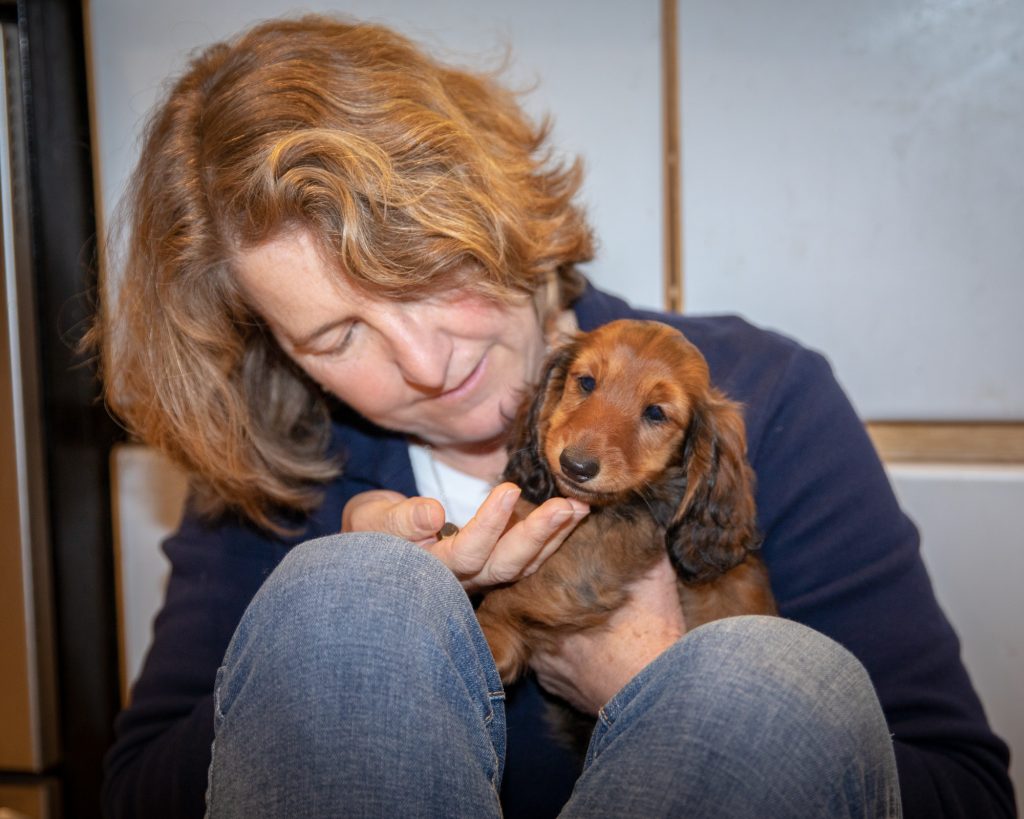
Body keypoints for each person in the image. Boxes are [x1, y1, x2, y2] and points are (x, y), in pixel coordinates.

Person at [94, 14, 1015, 819]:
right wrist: (358, 645)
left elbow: (968, 794)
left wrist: (654, 681)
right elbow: (132, 793)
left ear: (494, 206)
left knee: (757, 684)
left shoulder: (766, 396)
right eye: (338, 336)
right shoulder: (280, 465)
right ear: (278, 354)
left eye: (424, 274)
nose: (427, 360)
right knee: (350, 598)